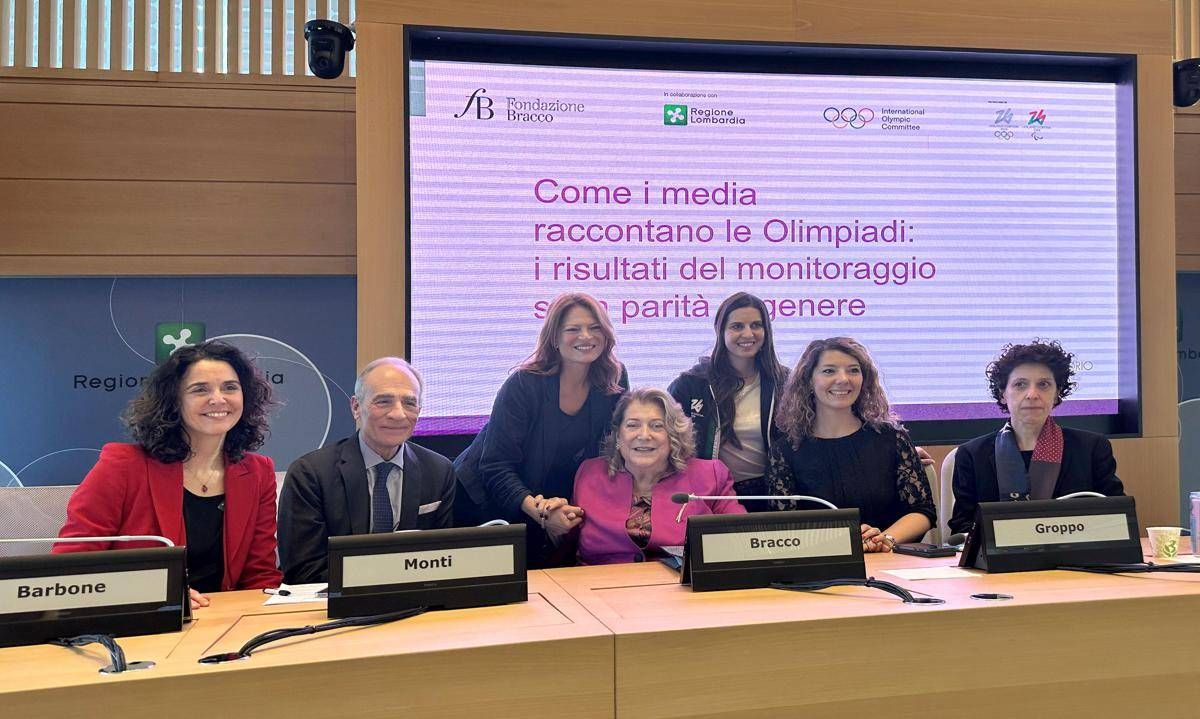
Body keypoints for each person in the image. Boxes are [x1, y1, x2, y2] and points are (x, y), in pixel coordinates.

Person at [55, 341, 282, 609]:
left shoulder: (258, 472)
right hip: (144, 620)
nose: (218, 399)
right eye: (200, 389)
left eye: (230, 387)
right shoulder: (123, 466)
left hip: (225, 621)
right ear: (174, 401)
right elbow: (69, 567)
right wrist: (152, 593)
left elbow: (260, 576)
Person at [479, 292, 627, 567]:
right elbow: (496, 467)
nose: (586, 336)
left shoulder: (614, 380)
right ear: (554, 339)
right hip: (496, 507)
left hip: (560, 508)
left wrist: (566, 511)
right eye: (573, 329)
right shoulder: (524, 384)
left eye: (595, 328)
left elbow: (608, 458)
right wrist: (543, 514)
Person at [277, 357, 455, 583]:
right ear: (355, 407)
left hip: (414, 598)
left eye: (410, 403)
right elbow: (303, 570)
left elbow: (444, 558)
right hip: (333, 599)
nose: (398, 414)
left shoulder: (439, 471)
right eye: (383, 401)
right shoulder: (310, 474)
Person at [766, 337, 935, 551]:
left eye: (853, 370)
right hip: (826, 561)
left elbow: (922, 511)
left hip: (889, 558)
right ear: (809, 380)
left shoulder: (892, 438)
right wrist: (846, 543)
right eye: (829, 371)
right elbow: (786, 528)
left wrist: (884, 539)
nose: (843, 379)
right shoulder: (785, 451)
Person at [948, 340, 1124, 535]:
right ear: (1003, 394)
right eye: (1020, 384)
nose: (1032, 394)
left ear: (1057, 394)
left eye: (1043, 384)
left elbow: (1117, 518)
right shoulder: (972, 455)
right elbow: (962, 528)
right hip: (1000, 554)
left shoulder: (1092, 448)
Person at [574, 388, 745, 565]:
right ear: (618, 436)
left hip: (681, 581)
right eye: (632, 425)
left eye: (657, 426)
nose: (644, 435)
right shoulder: (590, 473)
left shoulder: (710, 475)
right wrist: (557, 526)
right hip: (601, 579)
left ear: (673, 436)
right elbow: (566, 543)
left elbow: (742, 539)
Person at [668, 292, 790, 512]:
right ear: (721, 331)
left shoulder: (784, 383)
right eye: (737, 326)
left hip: (772, 493)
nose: (748, 333)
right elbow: (669, 442)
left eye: (756, 325)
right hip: (713, 494)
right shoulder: (691, 385)